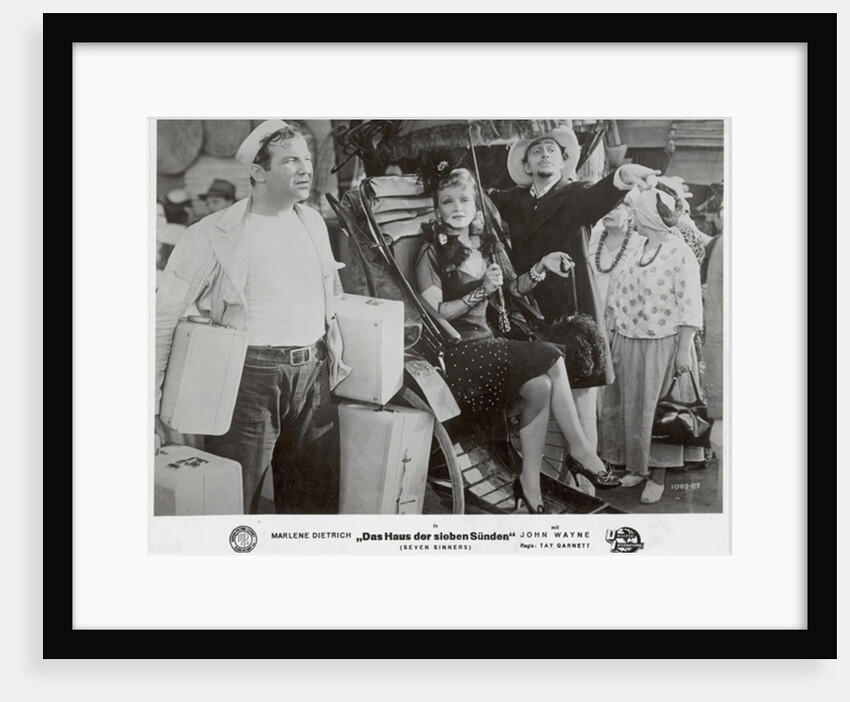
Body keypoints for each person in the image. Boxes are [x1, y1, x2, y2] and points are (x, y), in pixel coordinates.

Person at [155, 120, 350, 514]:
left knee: (312, 505)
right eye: (291, 160)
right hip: (247, 380)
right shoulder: (212, 233)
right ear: (258, 172)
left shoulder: (313, 222)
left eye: (307, 159)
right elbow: (163, 320)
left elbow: (332, 295)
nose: (306, 169)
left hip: (313, 375)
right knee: (235, 502)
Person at [414, 167, 621, 514]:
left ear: (476, 207)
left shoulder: (488, 247)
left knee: (541, 386)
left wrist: (543, 265)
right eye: (448, 201)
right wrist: (482, 290)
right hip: (458, 352)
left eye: (464, 199)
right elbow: (436, 312)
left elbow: (515, 287)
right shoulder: (430, 253)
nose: (457, 207)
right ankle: (582, 451)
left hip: (490, 345)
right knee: (551, 354)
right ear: (438, 210)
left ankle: (529, 483)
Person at [488, 127, 661, 461]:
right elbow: (477, 195)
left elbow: (603, 192)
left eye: (551, 149)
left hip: (574, 307)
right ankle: (550, 477)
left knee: (581, 400)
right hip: (530, 308)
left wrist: (625, 175)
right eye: (536, 150)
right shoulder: (512, 201)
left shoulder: (577, 194)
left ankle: (587, 479)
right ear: (526, 165)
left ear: (563, 160)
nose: (544, 154)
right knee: (537, 397)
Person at [600, 184, 705, 504]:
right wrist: (613, 325)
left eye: (636, 212)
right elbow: (619, 289)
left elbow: (690, 304)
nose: (632, 217)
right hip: (631, 339)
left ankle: (658, 475)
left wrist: (684, 349)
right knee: (634, 407)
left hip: (664, 343)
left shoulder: (679, 252)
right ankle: (639, 466)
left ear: (648, 216)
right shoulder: (638, 247)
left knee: (659, 410)